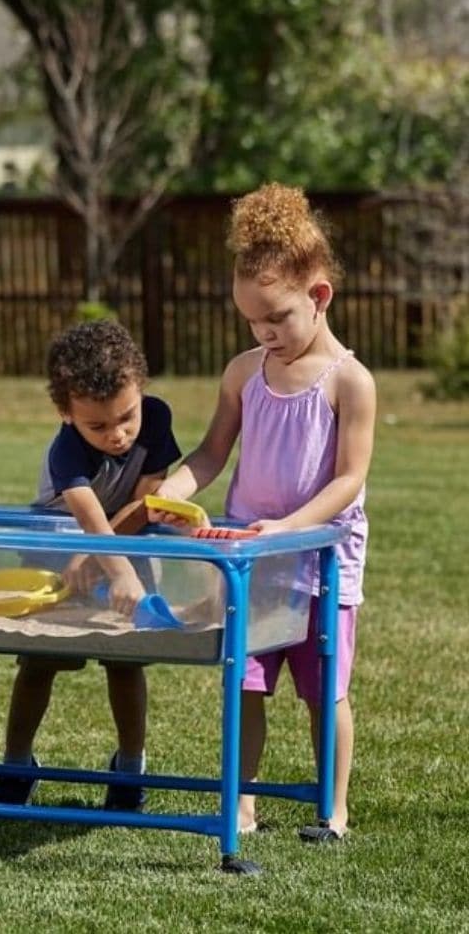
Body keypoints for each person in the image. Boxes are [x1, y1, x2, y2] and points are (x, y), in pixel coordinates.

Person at [151, 182, 375, 842]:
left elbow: (350, 480)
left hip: (319, 561)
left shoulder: (349, 381)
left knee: (323, 690)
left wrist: (291, 526)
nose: (263, 332)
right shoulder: (244, 372)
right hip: (251, 561)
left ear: (319, 296)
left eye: (275, 316)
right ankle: (242, 804)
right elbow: (212, 452)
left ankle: (332, 809)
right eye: (250, 319)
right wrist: (177, 491)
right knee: (246, 686)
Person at [0, 318, 182, 809]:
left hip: (130, 542)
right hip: (60, 543)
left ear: (141, 389)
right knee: (39, 662)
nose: (117, 435)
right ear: (66, 413)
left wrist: (122, 575)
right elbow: (89, 521)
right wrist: (104, 566)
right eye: (98, 425)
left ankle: (130, 768)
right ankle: (17, 765)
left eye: (126, 418)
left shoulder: (156, 419)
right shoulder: (65, 451)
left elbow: (146, 503)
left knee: (125, 662)